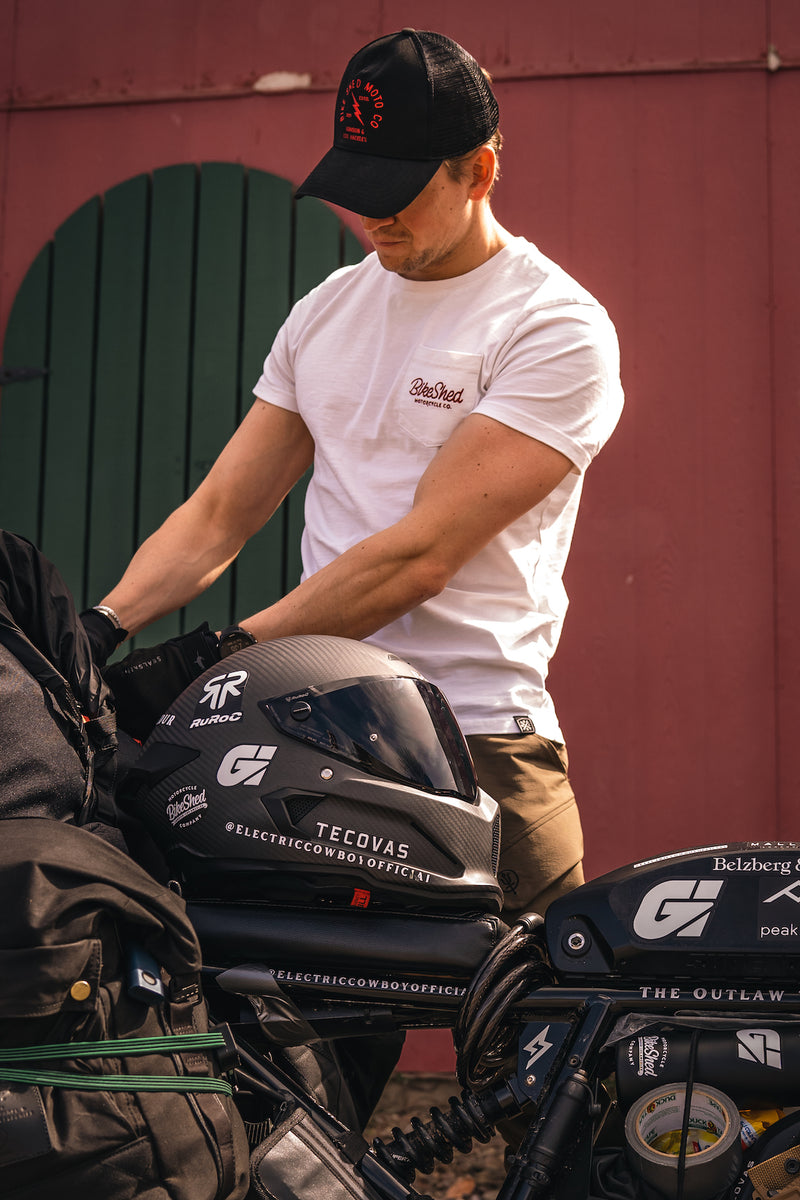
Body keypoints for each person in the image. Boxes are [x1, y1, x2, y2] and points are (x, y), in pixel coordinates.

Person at [90, 27, 623, 929]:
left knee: (542, 1005)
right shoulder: (326, 311)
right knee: (277, 1006)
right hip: (312, 726)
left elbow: (419, 557)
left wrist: (217, 660)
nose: (373, 217)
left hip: (472, 737)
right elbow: (219, 514)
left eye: (396, 191)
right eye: (355, 186)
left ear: (479, 171)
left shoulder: (553, 326)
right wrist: (103, 626)